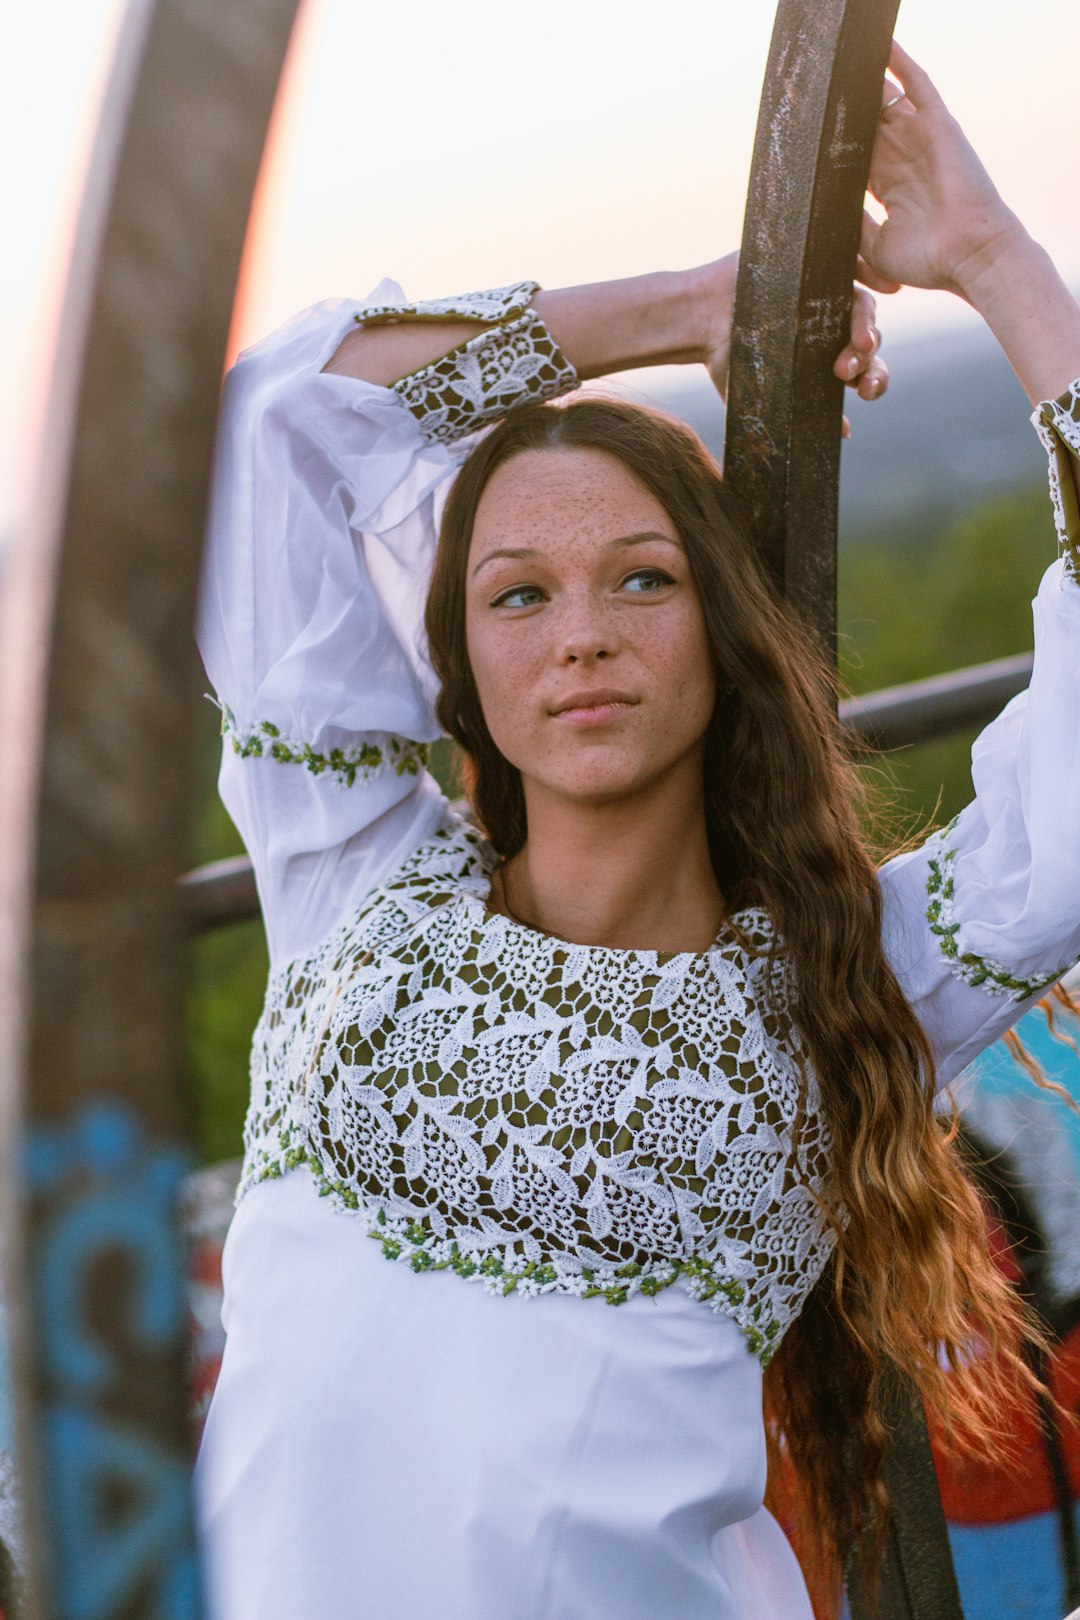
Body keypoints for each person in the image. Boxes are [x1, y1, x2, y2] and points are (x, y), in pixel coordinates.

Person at [192, 41, 1080, 1620]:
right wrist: (691, 306)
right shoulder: (356, 879)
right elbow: (280, 421)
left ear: (721, 638)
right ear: (465, 667)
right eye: (518, 595)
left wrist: (996, 263)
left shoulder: (844, 983)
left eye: (644, 579)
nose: (581, 634)